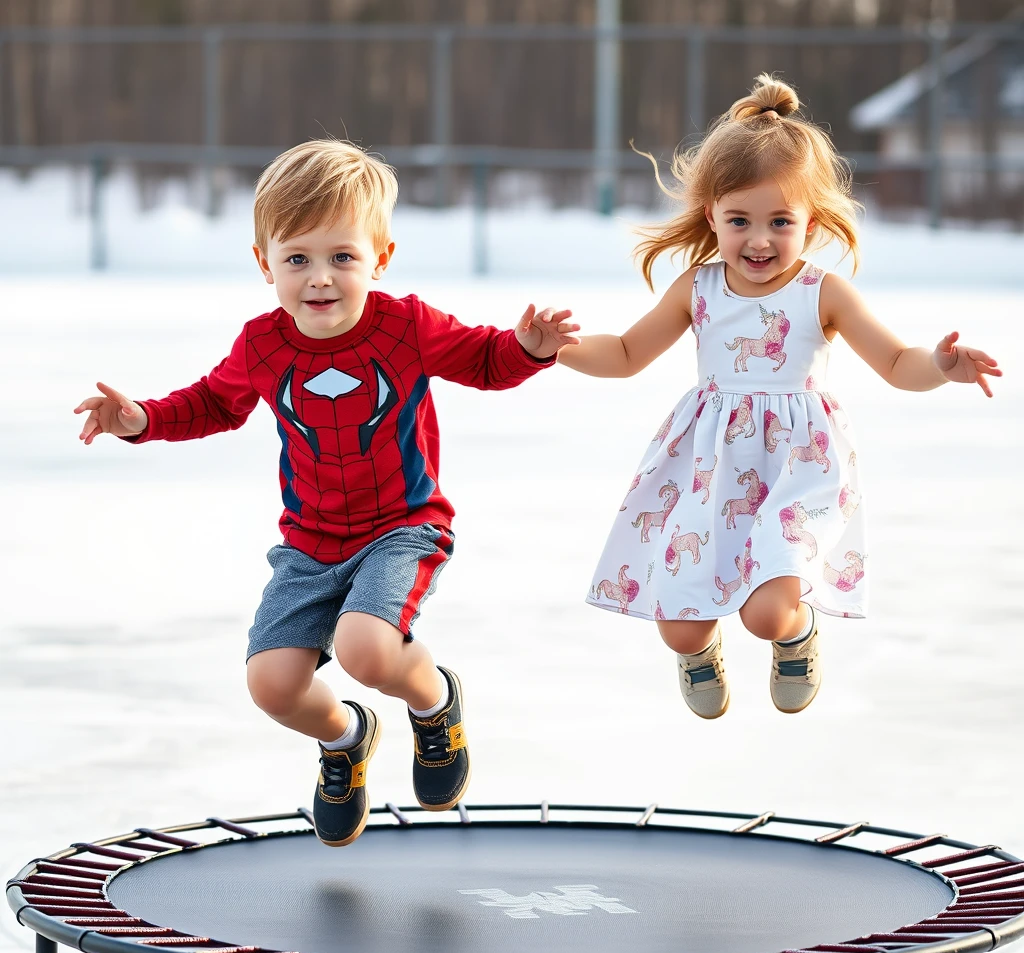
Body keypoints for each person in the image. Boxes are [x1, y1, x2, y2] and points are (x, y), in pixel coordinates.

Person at [74, 139, 579, 846]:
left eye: (343, 257)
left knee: (368, 650)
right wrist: (143, 421)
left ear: (380, 258)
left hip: (403, 527)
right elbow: (215, 403)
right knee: (273, 685)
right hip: (310, 544)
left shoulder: (406, 326)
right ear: (265, 264)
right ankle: (347, 741)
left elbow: (483, 360)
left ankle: (434, 705)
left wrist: (527, 348)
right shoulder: (262, 344)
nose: (320, 279)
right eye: (298, 259)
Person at [559, 74, 1000, 720]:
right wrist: (554, 348)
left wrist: (941, 364)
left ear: (810, 223)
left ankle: (796, 634)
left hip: (799, 468)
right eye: (739, 220)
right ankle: (698, 650)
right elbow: (626, 354)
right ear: (711, 215)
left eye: (779, 222)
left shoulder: (823, 292)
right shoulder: (698, 288)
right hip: (709, 468)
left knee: (766, 613)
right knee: (679, 625)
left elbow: (898, 362)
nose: (758, 240)